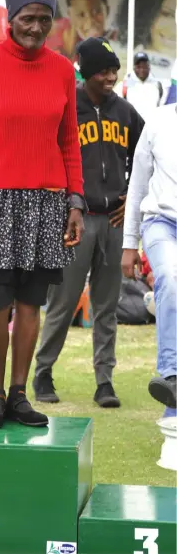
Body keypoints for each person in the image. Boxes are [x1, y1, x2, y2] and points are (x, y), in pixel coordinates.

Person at [0, 0, 85, 430]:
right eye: (28, 18)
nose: (35, 27)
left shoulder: (63, 70)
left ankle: (19, 394)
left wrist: (75, 201)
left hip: (48, 202)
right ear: (11, 19)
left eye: (44, 19)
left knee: (31, 304)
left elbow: (69, 140)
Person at [33, 37, 144, 408]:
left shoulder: (126, 112)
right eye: (102, 70)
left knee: (106, 306)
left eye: (113, 69)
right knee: (62, 303)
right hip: (75, 220)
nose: (110, 76)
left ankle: (104, 380)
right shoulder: (66, 108)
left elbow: (148, 158)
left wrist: (134, 194)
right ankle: (43, 372)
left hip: (114, 220)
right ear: (85, 71)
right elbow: (47, 156)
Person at [121, 102, 177, 410]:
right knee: (169, 276)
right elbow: (138, 185)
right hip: (161, 222)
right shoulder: (157, 120)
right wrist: (130, 244)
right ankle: (171, 377)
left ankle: (173, 408)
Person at [47, 0, 117, 61]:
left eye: (97, 12)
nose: (90, 22)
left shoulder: (115, 40)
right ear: (70, 15)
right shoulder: (56, 37)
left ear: (107, 10)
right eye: (81, 15)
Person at [115, 52, 163, 121]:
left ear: (149, 67)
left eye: (144, 66)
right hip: (131, 128)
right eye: (139, 67)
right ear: (134, 67)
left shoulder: (158, 85)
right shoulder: (123, 85)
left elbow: (161, 108)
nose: (142, 70)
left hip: (151, 127)